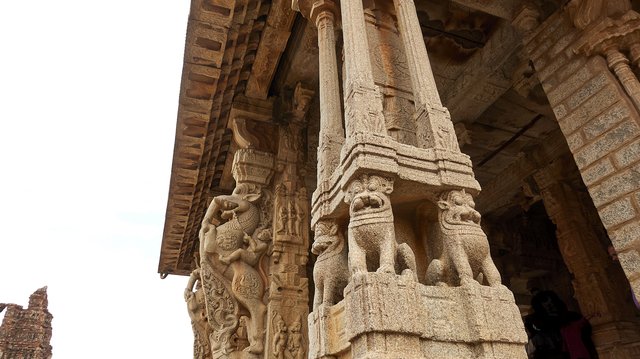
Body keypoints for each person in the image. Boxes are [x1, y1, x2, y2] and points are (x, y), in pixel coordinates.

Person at [525, 290, 598, 359]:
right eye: (547, 306)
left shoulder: (573, 317)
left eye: (552, 304)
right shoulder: (541, 326)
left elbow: (587, 337)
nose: (551, 307)